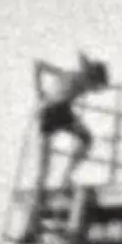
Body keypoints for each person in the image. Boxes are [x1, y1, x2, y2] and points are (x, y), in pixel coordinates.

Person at [34, 52, 110, 188]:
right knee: (86, 139)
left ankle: (42, 190)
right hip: (59, 111)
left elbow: (39, 65)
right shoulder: (84, 79)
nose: (94, 90)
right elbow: (85, 66)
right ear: (93, 78)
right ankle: (65, 179)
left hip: (48, 111)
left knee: (45, 160)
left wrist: (39, 91)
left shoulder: (68, 74)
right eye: (96, 86)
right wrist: (39, 90)